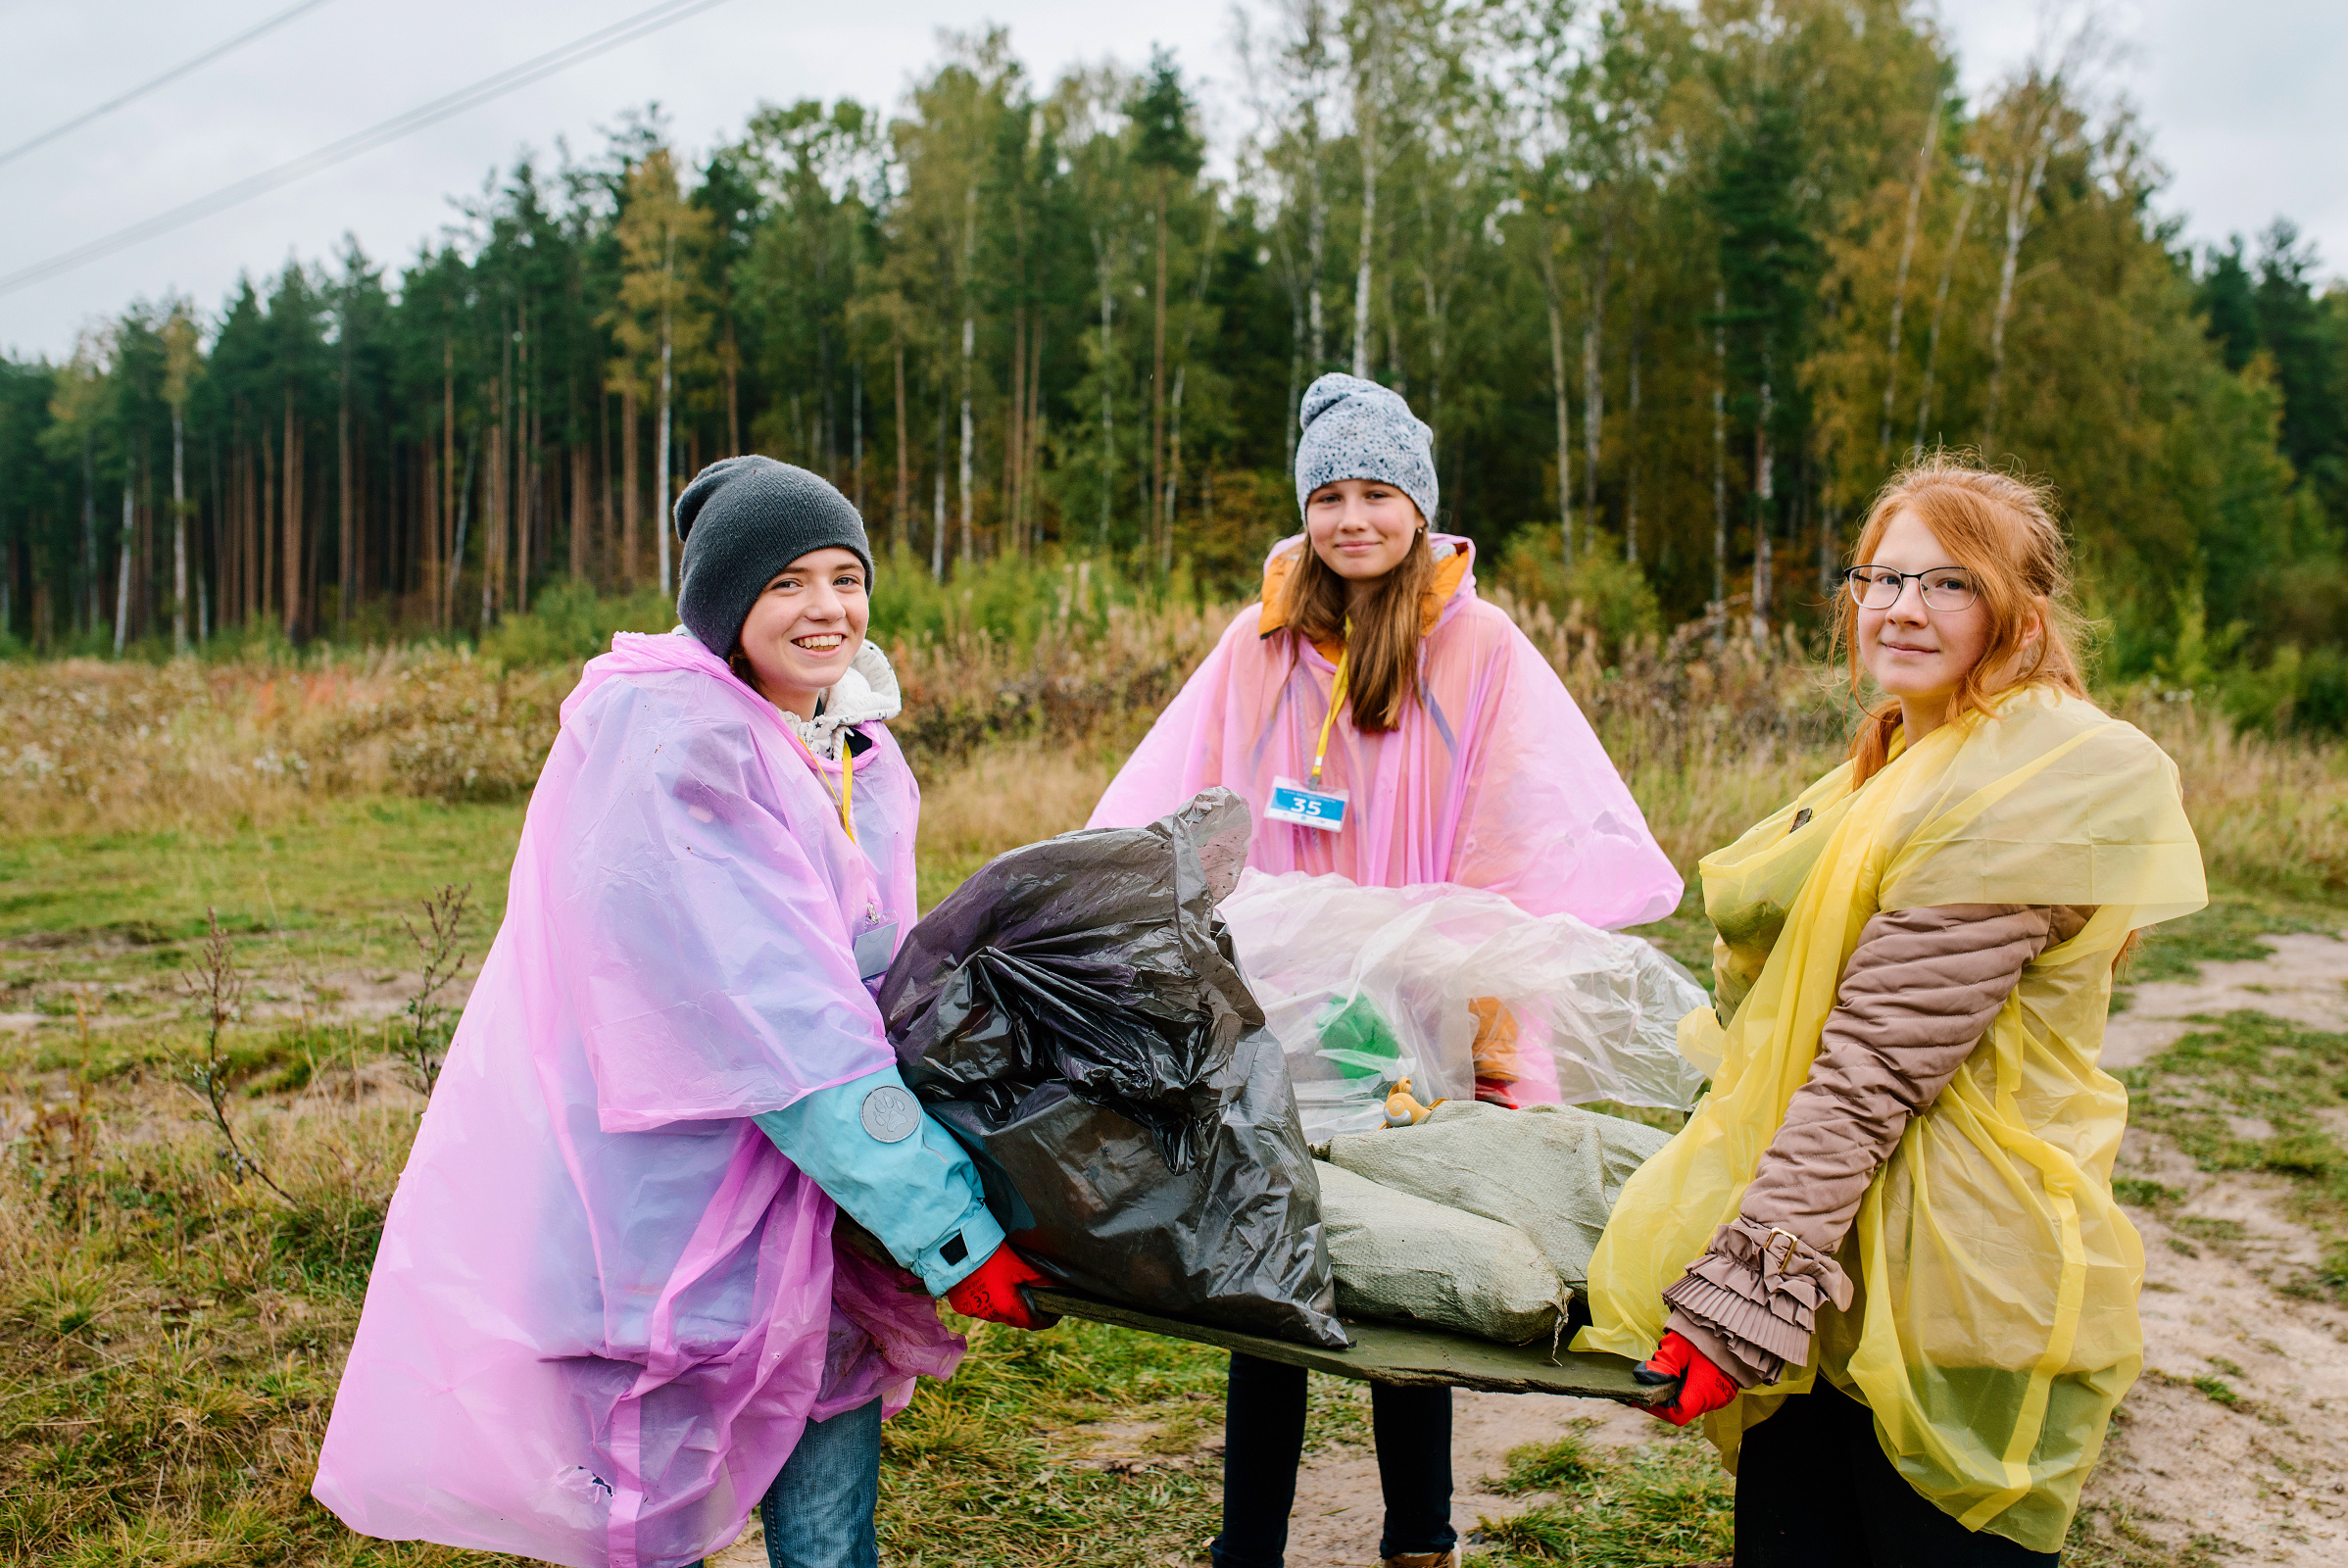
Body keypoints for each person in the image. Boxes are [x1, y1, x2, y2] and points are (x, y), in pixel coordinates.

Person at [315, 457, 1052, 1568]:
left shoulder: (842, 740)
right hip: (669, 1226)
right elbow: (784, 1026)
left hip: (820, 1208)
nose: (826, 609)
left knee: (826, 1532)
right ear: (724, 606)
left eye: (845, 577)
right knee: (646, 1537)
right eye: (785, 583)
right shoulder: (681, 748)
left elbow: (862, 978)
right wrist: (946, 1224)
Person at [1088, 374, 1683, 1568]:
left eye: (1376, 492)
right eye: (1328, 493)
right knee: (1271, 1249)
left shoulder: (1480, 645)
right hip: (1283, 998)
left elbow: (1519, 820)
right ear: (1303, 505)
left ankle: (1420, 1531)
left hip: (1419, 999)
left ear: (1419, 504)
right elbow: (1183, 798)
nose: (1351, 518)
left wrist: (1485, 1005)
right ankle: (1245, 1541)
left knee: (1413, 1248)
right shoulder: (1255, 643)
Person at [1578, 458, 2207, 1566]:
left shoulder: (2025, 784)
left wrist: (1738, 1299)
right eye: (1881, 577)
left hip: (1953, 1280)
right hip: (1839, 1269)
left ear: (2021, 612)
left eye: (1948, 583)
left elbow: (1868, 1069)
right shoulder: (1908, 760)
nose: (1902, 606)